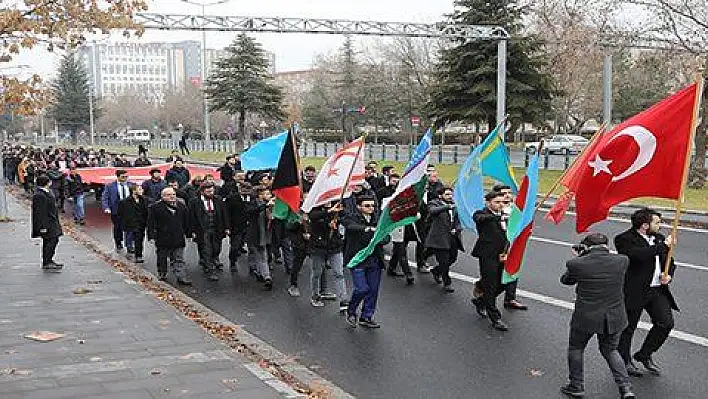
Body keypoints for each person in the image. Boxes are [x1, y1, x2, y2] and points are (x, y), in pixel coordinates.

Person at [560, 233, 635, 399]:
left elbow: (566, 280)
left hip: (586, 316)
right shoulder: (622, 260)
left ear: (586, 247)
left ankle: (576, 385)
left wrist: (581, 256)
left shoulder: (576, 264)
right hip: (615, 316)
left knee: (576, 348)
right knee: (610, 350)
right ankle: (626, 388)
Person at [615, 208, 678, 377]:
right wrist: (663, 246)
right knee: (628, 328)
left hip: (657, 290)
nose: (660, 225)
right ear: (644, 225)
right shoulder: (624, 239)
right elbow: (639, 256)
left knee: (665, 323)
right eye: (657, 222)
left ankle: (644, 354)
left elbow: (670, 262)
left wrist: (668, 274)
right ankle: (625, 361)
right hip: (635, 290)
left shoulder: (658, 238)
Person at [342, 195, 389, 329]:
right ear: (359, 206)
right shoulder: (351, 217)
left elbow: (386, 237)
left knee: (373, 290)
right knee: (362, 288)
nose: (371, 209)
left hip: (374, 259)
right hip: (358, 259)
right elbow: (350, 226)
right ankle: (351, 311)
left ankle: (366, 316)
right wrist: (367, 229)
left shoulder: (378, 219)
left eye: (373, 206)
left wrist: (379, 238)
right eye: (367, 206)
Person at [471, 190, 510, 331]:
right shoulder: (481, 213)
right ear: (488, 203)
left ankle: (481, 300)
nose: (500, 205)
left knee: (505, 283)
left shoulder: (506, 215)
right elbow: (480, 219)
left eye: (502, 202)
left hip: (503, 254)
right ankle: (495, 318)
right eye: (497, 202)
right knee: (490, 285)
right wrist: (498, 218)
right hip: (487, 255)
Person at [493, 184, 529, 311]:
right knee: (497, 275)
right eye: (503, 193)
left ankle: (510, 298)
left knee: (513, 270)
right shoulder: (495, 209)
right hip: (499, 246)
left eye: (509, 192)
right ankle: (484, 296)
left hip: (512, 246)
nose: (507, 195)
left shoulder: (515, 208)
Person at [146, 187, 192, 284]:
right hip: (163, 237)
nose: (172, 197)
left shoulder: (182, 206)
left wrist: (189, 234)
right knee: (162, 257)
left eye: (173, 194)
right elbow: (151, 223)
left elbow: (186, 221)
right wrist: (151, 236)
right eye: (169, 195)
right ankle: (162, 273)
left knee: (179, 258)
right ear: (163, 196)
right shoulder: (155, 207)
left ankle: (181, 276)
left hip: (178, 237)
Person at [309, 201, 348, 310]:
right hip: (318, 246)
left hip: (335, 245)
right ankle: (315, 296)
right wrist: (328, 214)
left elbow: (346, 216)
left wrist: (338, 219)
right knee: (317, 272)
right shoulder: (315, 206)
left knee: (338, 273)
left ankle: (343, 300)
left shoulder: (338, 204)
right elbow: (312, 217)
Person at [425, 186, 464, 293]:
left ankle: (436, 271)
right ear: (440, 195)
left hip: (452, 238)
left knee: (453, 258)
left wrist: (457, 229)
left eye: (451, 194)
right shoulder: (434, 203)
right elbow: (432, 211)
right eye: (447, 194)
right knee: (444, 262)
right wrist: (447, 207)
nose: (450, 196)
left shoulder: (454, 205)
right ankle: (447, 283)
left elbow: (457, 221)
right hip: (439, 238)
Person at [188, 182, 229, 281]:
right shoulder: (194, 202)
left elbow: (224, 214)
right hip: (202, 229)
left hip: (216, 228)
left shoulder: (218, 200)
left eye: (212, 190)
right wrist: (192, 231)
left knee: (216, 248)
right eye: (208, 191)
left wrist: (226, 227)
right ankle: (211, 270)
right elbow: (191, 217)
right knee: (207, 250)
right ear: (202, 192)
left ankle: (214, 259)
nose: (210, 192)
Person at [245, 186, 275, 290]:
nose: (269, 196)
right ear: (260, 195)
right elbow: (251, 212)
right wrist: (265, 206)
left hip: (266, 235)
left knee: (262, 256)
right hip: (255, 235)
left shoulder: (270, 206)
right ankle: (266, 276)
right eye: (266, 194)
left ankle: (261, 273)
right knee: (260, 256)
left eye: (269, 194)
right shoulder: (253, 204)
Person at [31, 175, 63, 270]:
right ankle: (47, 261)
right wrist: (42, 227)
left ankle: (49, 259)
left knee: (52, 240)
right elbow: (40, 213)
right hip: (47, 223)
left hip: (52, 221)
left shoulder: (47, 192)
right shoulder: (39, 195)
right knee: (51, 241)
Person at [101, 169, 135, 253]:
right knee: (118, 228)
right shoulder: (110, 186)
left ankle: (129, 245)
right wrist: (106, 207)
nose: (125, 178)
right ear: (117, 177)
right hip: (116, 210)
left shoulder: (131, 185)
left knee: (130, 228)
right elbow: (105, 197)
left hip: (129, 210)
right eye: (123, 177)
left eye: (126, 177)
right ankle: (118, 242)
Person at [118, 185, 149, 263]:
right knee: (130, 237)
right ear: (134, 191)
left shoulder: (145, 200)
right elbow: (120, 214)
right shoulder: (124, 202)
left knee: (139, 240)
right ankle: (131, 250)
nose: (142, 190)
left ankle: (138, 255)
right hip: (130, 224)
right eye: (140, 189)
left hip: (141, 224)